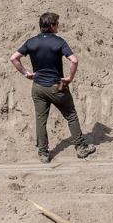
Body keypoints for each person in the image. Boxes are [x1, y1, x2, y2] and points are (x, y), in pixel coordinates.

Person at [9, 11, 95, 163]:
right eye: (57, 23)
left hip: (38, 87)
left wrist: (26, 73)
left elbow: (13, 58)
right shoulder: (59, 42)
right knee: (71, 115)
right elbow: (74, 61)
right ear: (51, 26)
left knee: (41, 120)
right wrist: (69, 78)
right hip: (56, 86)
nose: (58, 26)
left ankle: (43, 153)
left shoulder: (31, 42)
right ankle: (81, 148)